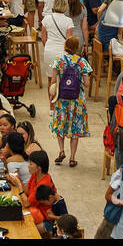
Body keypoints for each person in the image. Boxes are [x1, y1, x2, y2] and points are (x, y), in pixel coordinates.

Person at [48, 36, 92, 168]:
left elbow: (53, 81)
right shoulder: (82, 62)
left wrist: (52, 96)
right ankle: (72, 158)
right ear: (77, 47)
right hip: (77, 101)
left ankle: (61, 151)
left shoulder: (59, 61)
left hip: (62, 99)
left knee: (60, 125)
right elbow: (87, 83)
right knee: (75, 128)